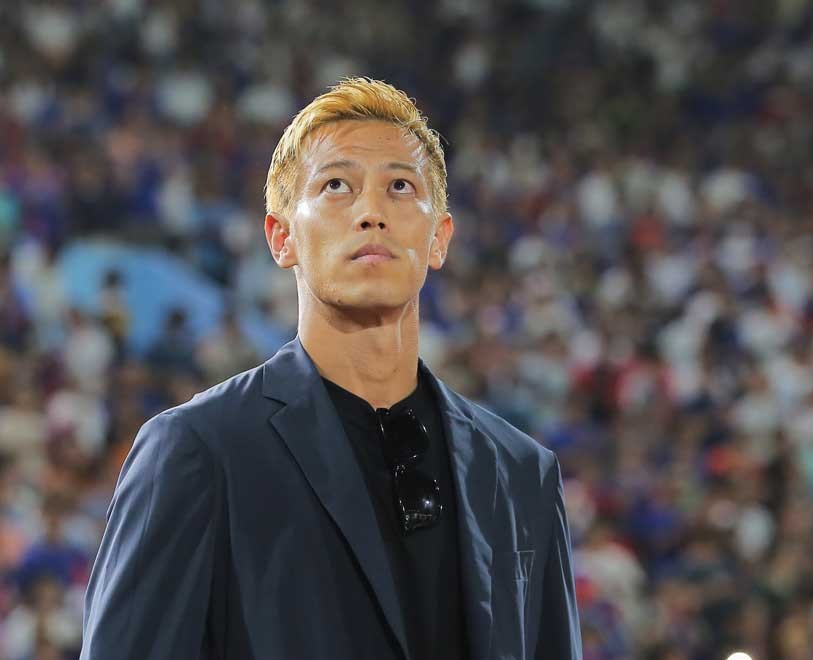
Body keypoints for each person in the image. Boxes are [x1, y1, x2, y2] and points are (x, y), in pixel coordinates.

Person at [80, 77, 582, 660]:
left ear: (439, 238)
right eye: (337, 185)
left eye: (400, 186)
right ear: (281, 236)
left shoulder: (522, 473)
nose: (372, 212)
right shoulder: (197, 451)